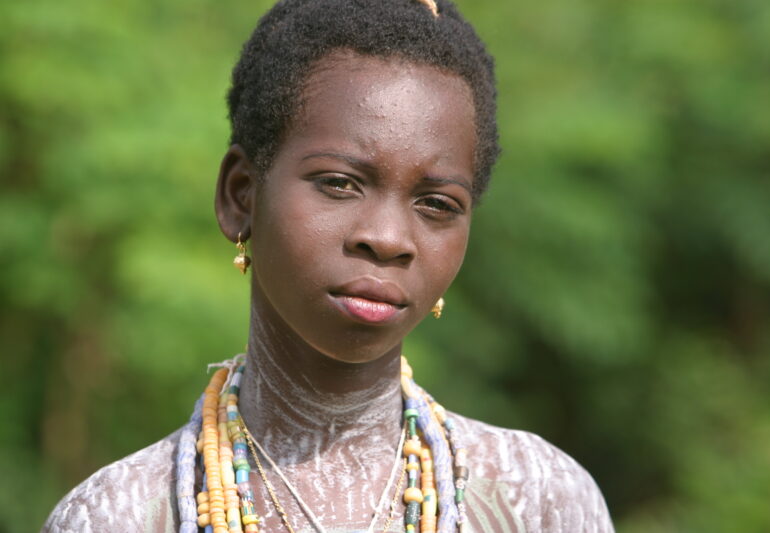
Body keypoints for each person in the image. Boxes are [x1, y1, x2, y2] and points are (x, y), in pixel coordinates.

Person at [43, 0, 614, 531]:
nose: (388, 239)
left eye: (436, 205)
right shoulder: (120, 515)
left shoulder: (540, 500)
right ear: (241, 195)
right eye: (340, 184)